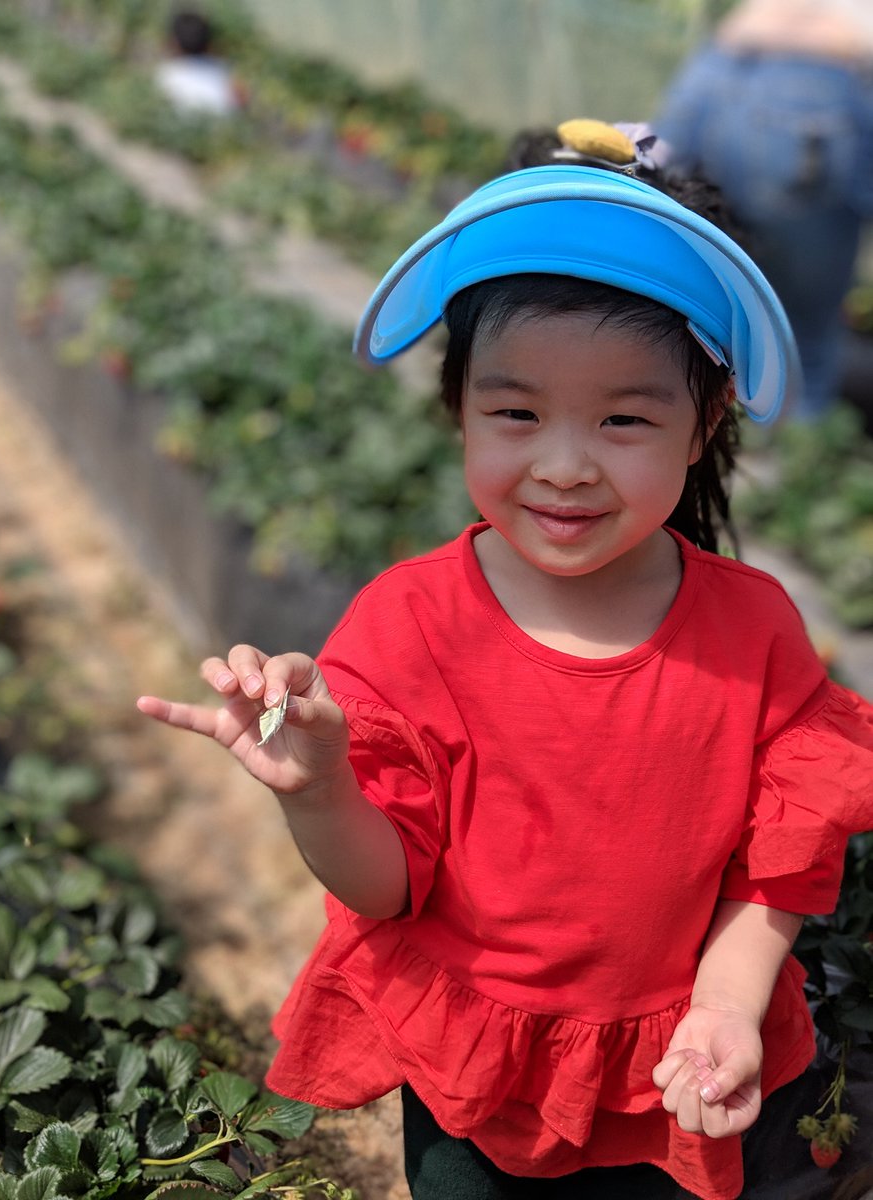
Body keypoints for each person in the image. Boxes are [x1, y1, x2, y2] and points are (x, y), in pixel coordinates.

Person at [136, 149, 873, 1199]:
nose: (565, 464)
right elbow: (386, 889)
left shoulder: (750, 631)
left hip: (672, 1074)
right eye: (517, 414)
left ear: (705, 425)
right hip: (473, 1080)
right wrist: (323, 791)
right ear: (460, 411)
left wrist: (728, 998)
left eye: (624, 419)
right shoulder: (410, 626)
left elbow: (781, 860)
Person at [654, 0, 873, 422]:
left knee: (690, 307)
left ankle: (695, 438)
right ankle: (789, 465)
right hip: (821, 82)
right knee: (804, 341)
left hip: (717, 66)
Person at [154, 9, 242, 118]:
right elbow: (239, 104)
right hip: (223, 131)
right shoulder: (224, 70)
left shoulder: (166, 74)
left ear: (174, 43)